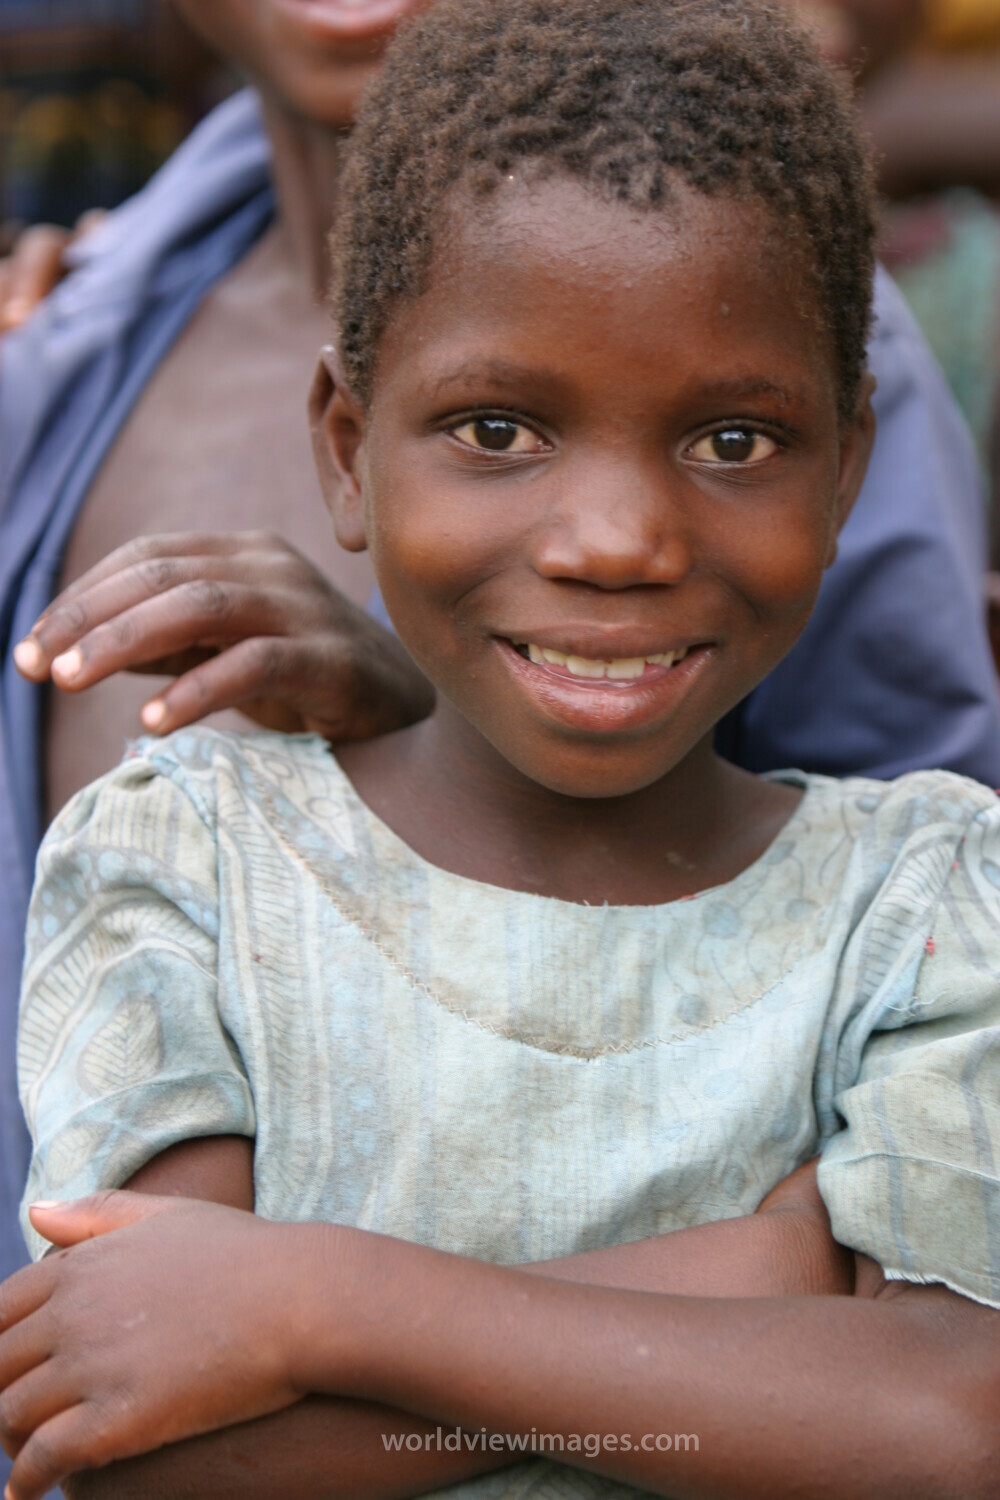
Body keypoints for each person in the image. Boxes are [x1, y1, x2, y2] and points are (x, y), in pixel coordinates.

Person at [4, 3, 1000, 1497]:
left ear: (850, 462)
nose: (617, 542)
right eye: (497, 429)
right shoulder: (180, 865)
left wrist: (316, 1305)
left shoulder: (928, 905)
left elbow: (947, 1420)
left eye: (731, 441)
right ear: (344, 448)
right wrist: (767, 1276)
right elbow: (143, 1455)